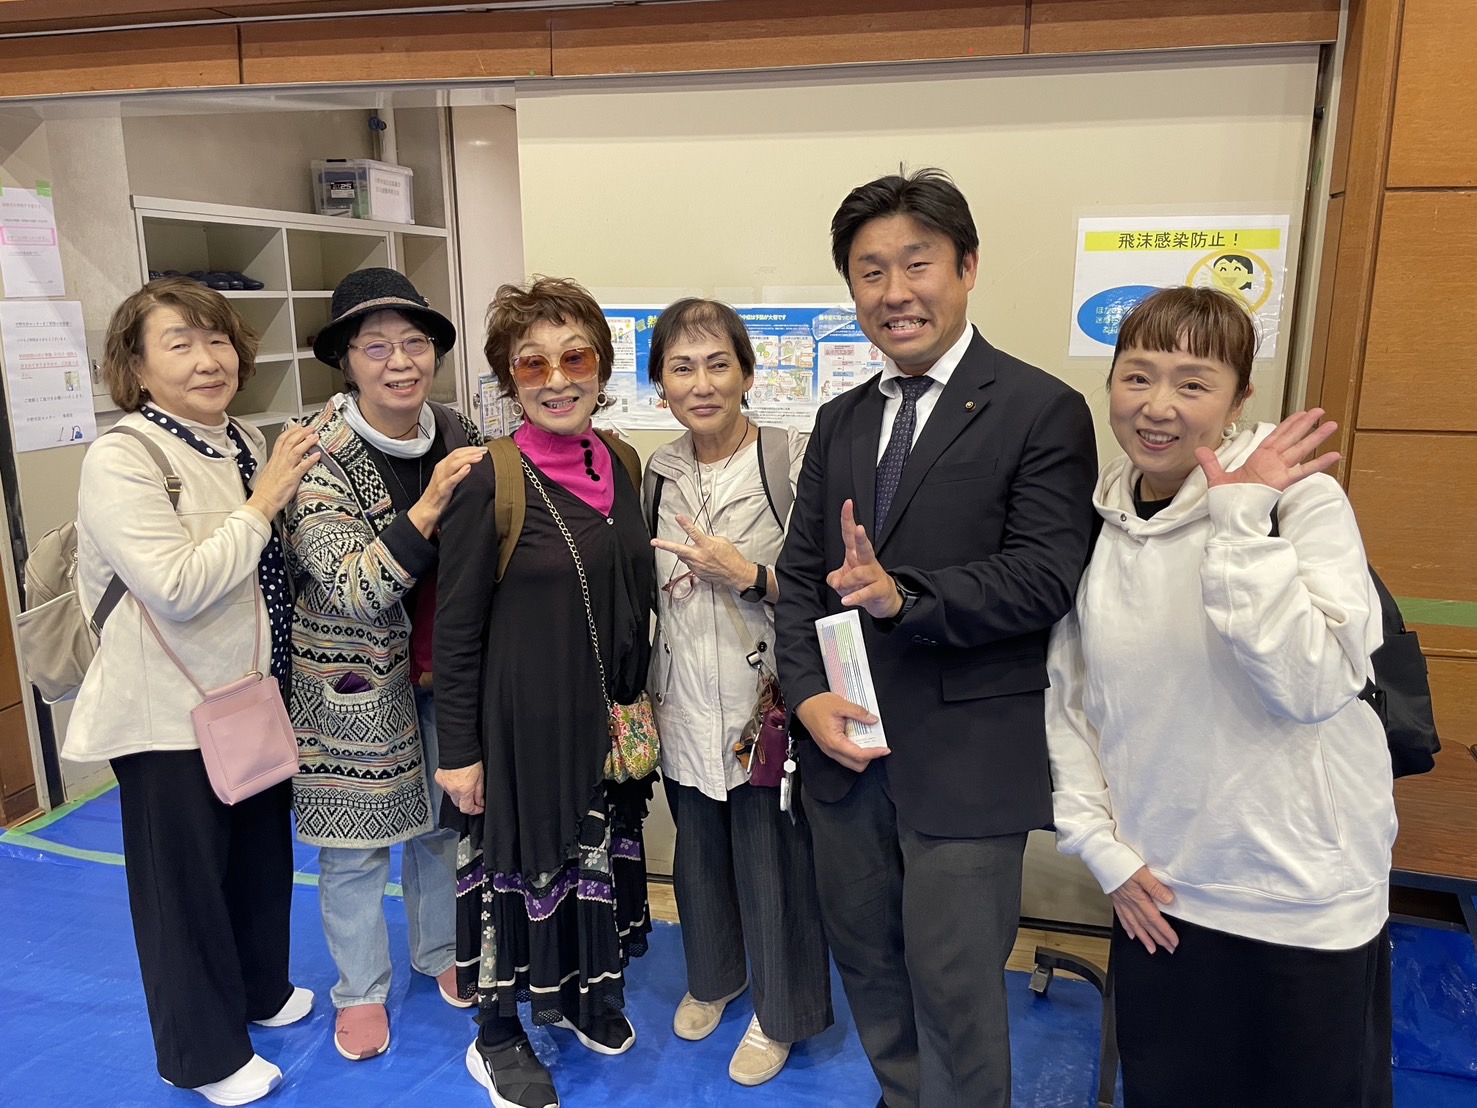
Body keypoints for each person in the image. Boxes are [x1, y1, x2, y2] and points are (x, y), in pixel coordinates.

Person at [773, 168, 1098, 1108]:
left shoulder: (1038, 408)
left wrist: (902, 596)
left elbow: (1045, 576)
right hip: (846, 750)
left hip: (967, 756)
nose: (894, 291)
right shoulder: (839, 420)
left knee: (955, 987)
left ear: (967, 267)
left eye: (915, 264)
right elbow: (800, 580)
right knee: (869, 964)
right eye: (869, 271)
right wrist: (806, 696)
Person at [1045, 285, 1395, 1108]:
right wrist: (1099, 848)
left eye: (1193, 383)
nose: (1157, 406)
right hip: (1161, 894)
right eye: (1136, 376)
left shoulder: (1298, 498)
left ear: (1238, 402)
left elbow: (1313, 685)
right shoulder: (1100, 516)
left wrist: (1239, 520)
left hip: (1301, 902)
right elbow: (1073, 699)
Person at [63, 277, 320, 1105]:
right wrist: (264, 502)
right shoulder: (124, 456)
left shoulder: (239, 436)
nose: (208, 360)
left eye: (218, 341)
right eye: (180, 344)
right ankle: (203, 1056)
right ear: (136, 367)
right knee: (182, 892)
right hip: (166, 716)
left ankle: (260, 989)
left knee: (258, 860)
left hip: (248, 697)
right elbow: (175, 586)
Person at [435, 277, 656, 1108]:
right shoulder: (488, 481)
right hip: (520, 730)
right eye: (533, 364)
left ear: (601, 369)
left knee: (590, 861)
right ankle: (496, 1034)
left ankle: (583, 997)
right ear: (509, 380)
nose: (557, 379)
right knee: (517, 874)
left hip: (604, 721)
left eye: (575, 358)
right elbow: (456, 629)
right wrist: (459, 752)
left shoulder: (622, 462)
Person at [286, 268, 487, 1061]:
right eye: (376, 347)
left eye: (414, 343)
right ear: (345, 359)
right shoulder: (315, 452)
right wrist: (430, 505)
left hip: (447, 671)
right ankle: (360, 991)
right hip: (352, 685)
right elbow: (353, 587)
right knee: (355, 847)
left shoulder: (457, 428)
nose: (400, 362)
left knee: (443, 824)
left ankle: (439, 952)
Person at [643, 298, 833, 1086]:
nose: (702, 383)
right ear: (659, 385)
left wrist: (750, 574)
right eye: (682, 367)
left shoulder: (790, 460)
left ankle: (779, 1014)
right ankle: (715, 977)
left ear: (748, 375)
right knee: (698, 856)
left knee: (773, 864)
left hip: (767, 710)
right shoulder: (657, 471)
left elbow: (832, 587)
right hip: (682, 699)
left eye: (718, 364)